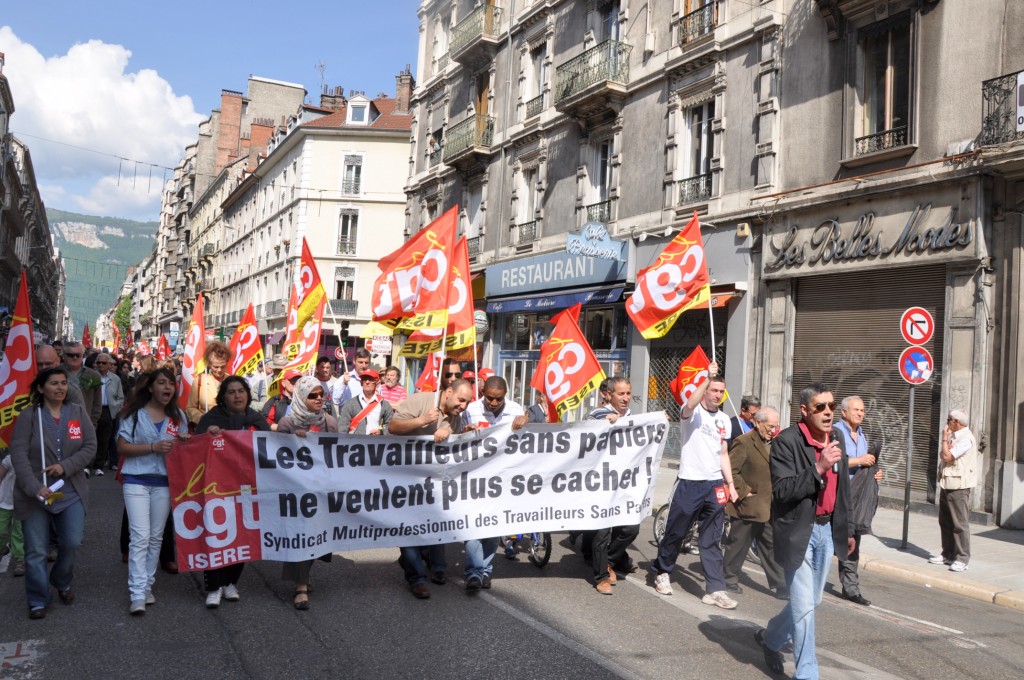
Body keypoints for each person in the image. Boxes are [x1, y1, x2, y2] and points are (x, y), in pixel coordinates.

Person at [755, 383, 854, 678]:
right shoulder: (786, 441)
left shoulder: (836, 436)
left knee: (813, 601)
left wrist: (846, 530)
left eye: (832, 406)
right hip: (799, 532)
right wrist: (818, 467)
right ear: (804, 410)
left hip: (826, 531)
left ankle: (772, 638)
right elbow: (783, 491)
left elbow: (842, 488)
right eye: (820, 407)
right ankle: (807, 673)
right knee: (804, 610)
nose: (827, 412)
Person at [8, 367, 97, 619]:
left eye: (63, 383)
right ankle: (37, 598)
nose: (60, 387)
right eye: (54, 383)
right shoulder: (29, 416)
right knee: (36, 550)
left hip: (69, 490)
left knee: (71, 541)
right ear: (40, 388)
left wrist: (65, 466)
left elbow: (90, 446)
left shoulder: (77, 413)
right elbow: (19, 456)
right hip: (35, 493)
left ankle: (62, 579)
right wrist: (36, 488)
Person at [652, 361, 739, 609]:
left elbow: (723, 453)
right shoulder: (692, 414)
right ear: (706, 390)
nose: (718, 395)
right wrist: (705, 379)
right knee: (677, 532)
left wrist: (730, 483)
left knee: (712, 538)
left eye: (721, 391)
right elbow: (690, 404)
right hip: (690, 481)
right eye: (714, 390)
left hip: (714, 485)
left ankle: (715, 589)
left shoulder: (725, 420)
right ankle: (662, 572)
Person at [388, 379, 475, 598]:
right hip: (404, 476)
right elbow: (393, 427)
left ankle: (437, 567)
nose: (463, 406)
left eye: (467, 402)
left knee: (436, 522)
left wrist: (466, 434)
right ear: (448, 392)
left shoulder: (456, 417)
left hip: (433, 481)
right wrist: (422, 421)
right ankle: (416, 577)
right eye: (460, 400)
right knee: (407, 528)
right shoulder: (420, 401)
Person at [116, 367, 190, 615]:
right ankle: (137, 593)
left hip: (164, 483)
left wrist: (185, 443)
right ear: (150, 387)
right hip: (136, 480)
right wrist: (152, 446)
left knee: (157, 537)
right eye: (161, 382)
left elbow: (183, 450)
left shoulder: (178, 416)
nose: (167, 387)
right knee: (140, 536)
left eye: (171, 383)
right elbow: (122, 447)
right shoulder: (134, 414)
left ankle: (147, 587)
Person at [195, 377, 270, 608]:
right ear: (222, 397)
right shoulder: (211, 418)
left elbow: (271, 446)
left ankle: (230, 582)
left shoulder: (257, 419)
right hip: (216, 487)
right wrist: (209, 436)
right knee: (217, 535)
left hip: (247, 487)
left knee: (241, 535)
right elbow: (195, 449)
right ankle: (214, 586)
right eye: (231, 392)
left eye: (241, 391)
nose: (237, 396)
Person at [276, 377, 338, 609]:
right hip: (296, 490)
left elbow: (337, 453)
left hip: (321, 487)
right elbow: (276, 456)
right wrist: (296, 442)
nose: (319, 398)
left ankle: (304, 575)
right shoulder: (287, 423)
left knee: (317, 534)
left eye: (321, 394)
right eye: (312, 395)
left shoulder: (330, 422)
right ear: (301, 397)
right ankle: (301, 586)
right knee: (301, 534)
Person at [722, 406, 787, 599]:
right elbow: (731, 470)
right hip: (747, 506)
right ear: (758, 423)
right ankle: (729, 579)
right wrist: (745, 492)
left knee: (771, 546)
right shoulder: (743, 442)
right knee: (738, 544)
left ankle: (781, 584)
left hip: (767, 506)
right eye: (770, 426)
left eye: (776, 426)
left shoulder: (776, 443)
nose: (773, 430)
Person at [586, 377, 640, 595]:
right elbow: (590, 428)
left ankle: (608, 561)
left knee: (630, 528)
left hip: (623, 483)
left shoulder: (633, 418)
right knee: (601, 530)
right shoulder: (598, 414)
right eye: (621, 394)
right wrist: (603, 423)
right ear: (609, 395)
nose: (625, 398)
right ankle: (601, 577)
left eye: (628, 393)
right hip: (600, 483)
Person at [832, 395, 882, 605]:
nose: (860, 414)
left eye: (862, 410)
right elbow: (833, 463)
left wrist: (876, 472)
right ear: (844, 412)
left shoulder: (862, 435)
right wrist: (859, 460)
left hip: (855, 498)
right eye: (856, 410)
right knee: (824, 542)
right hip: (835, 496)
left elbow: (865, 465)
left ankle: (851, 589)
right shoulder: (835, 432)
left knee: (852, 542)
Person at [928, 409, 978, 573]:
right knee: (945, 521)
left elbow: (948, 457)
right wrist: (946, 443)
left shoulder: (966, 439)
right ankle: (948, 553)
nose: (947, 422)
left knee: (959, 523)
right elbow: (945, 455)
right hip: (947, 482)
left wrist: (944, 438)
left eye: (949, 419)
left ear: (957, 422)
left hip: (959, 486)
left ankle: (962, 558)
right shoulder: (955, 436)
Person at [91, 352, 125, 476]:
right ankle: (87, 465)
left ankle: (99, 465)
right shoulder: (91, 376)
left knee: (104, 439)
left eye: (103, 363)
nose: (100, 365)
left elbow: (120, 397)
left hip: (107, 411)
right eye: (98, 362)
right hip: (92, 410)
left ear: (110, 364)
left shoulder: (115, 379)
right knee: (90, 438)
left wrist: (115, 409)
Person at [185, 340, 231, 427]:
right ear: (209, 364)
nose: (219, 370)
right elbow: (190, 408)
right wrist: (204, 420)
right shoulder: (200, 380)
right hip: (205, 428)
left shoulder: (231, 381)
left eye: (223, 366)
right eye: (216, 367)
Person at [462, 376, 528, 431]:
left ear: (505, 393)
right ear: (483, 392)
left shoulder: (516, 410)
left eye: (499, 399)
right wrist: (467, 433)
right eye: (490, 398)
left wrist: (527, 422)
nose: (494, 403)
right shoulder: (470, 410)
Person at [338, 369, 393, 434]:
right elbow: (342, 427)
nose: (367, 382)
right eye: (364, 379)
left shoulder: (384, 404)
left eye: (371, 379)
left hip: (376, 442)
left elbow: (390, 425)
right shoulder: (350, 404)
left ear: (377, 382)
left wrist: (381, 431)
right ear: (361, 382)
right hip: (355, 442)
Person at [62, 341, 102, 430]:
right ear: (63, 356)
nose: (75, 357)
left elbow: (97, 403)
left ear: (83, 356)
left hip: (85, 423)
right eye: (71, 355)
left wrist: (92, 423)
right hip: (61, 423)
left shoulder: (93, 375)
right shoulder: (55, 373)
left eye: (78, 355)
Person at [1, 453, 26, 576]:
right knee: (1, 530)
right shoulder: (10, 459)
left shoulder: (31, 459)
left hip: (21, 503)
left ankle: (20, 558)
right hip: (5, 501)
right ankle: (2, 549)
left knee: (19, 532)